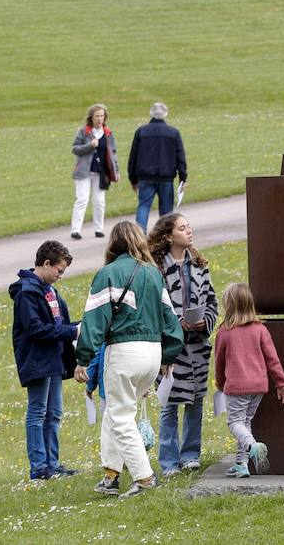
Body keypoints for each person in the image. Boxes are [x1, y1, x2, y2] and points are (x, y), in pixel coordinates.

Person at [74, 223, 184, 498]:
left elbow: (94, 322)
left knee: (121, 417)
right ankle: (111, 475)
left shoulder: (108, 274)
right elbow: (171, 320)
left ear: (113, 243)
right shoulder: (153, 274)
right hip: (154, 352)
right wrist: (168, 355)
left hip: (124, 352)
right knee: (116, 412)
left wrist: (83, 359)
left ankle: (145, 477)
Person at [149, 214, 218, 478]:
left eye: (189, 226)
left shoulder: (199, 265)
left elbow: (212, 301)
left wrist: (205, 321)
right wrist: (176, 323)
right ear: (168, 236)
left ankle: (190, 455)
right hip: (171, 349)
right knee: (169, 403)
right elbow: (154, 308)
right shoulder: (156, 270)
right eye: (182, 228)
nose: (189, 231)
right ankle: (169, 462)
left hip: (198, 346)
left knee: (196, 401)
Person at [9, 240, 80, 481]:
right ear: (46, 263)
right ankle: (39, 467)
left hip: (55, 359)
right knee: (38, 411)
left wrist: (77, 327)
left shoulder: (51, 291)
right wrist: (71, 333)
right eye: (59, 271)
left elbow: (59, 324)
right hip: (38, 360)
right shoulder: (27, 292)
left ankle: (53, 463)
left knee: (55, 412)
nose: (60, 276)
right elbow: (36, 329)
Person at [213, 282, 284, 478]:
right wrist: (281, 383)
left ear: (228, 306)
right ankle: (241, 464)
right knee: (245, 422)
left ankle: (252, 446)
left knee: (234, 423)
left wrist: (221, 384)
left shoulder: (225, 331)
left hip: (237, 386)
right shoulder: (260, 329)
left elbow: (219, 362)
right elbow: (273, 359)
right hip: (258, 387)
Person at [127, 102, 187, 232]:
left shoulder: (141, 131)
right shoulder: (173, 133)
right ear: (165, 114)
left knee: (143, 206)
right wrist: (183, 177)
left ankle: (140, 237)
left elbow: (133, 156)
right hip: (166, 177)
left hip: (145, 176)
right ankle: (164, 237)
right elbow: (180, 156)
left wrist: (133, 178)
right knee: (166, 211)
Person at [71, 103, 119, 241]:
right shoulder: (83, 131)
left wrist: (116, 170)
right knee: (82, 199)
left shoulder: (108, 133)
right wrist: (89, 145)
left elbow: (113, 153)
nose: (99, 119)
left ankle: (98, 229)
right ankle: (75, 230)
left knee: (99, 201)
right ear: (91, 117)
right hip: (84, 172)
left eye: (102, 116)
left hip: (101, 172)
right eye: (97, 116)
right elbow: (75, 149)